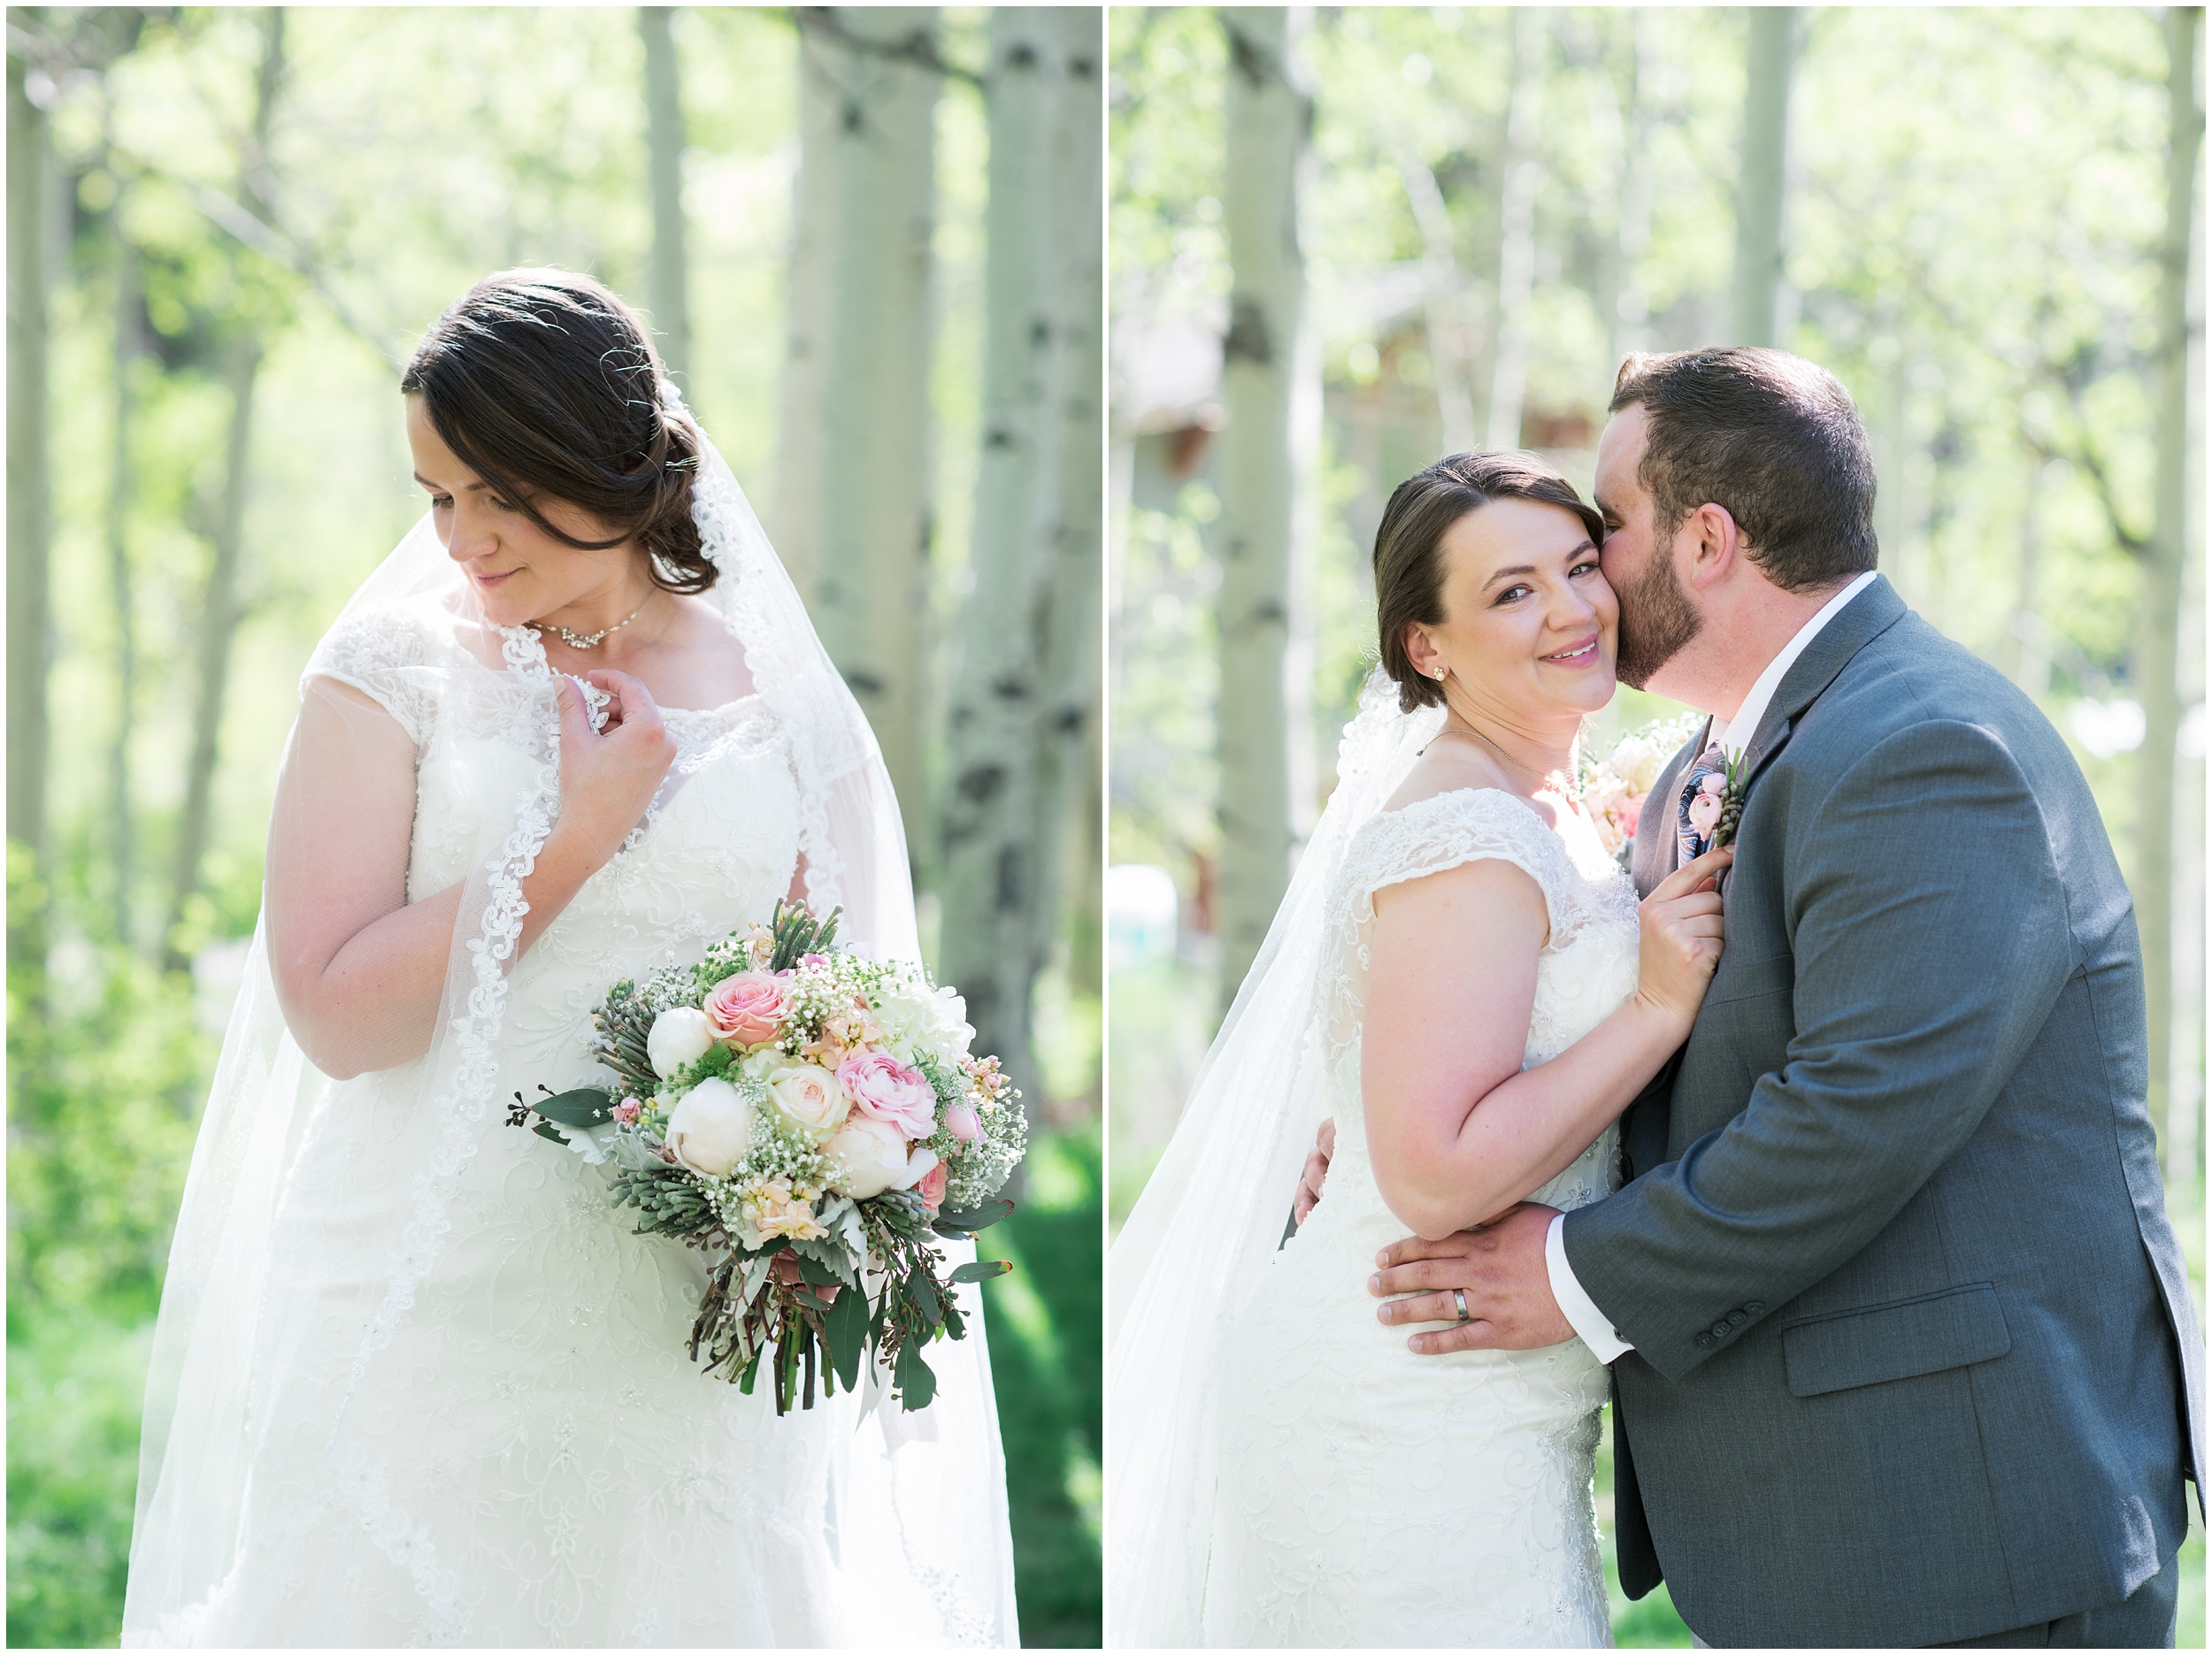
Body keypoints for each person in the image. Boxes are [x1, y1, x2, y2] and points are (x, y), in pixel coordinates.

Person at [122, 271, 1018, 1648]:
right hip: (421, 1292)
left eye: (500, 492)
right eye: (436, 496)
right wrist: (574, 835)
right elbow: (334, 1015)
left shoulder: (777, 697)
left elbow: (836, 1009)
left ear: (610, 461)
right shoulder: (388, 673)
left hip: (684, 1317)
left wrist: (834, 1151)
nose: (465, 538)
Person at [1344, 349, 2203, 1647]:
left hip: (1961, 1526)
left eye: (1604, 532)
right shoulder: (1719, 757)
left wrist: (1573, 1275)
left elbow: (1857, 1112)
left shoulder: (1924, 744)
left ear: (1704, 541)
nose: (1589, 567)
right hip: (1831, 1516)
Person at [1106, 449, 1736, 1645]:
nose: (1571, 609)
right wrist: (1655, 1007)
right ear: (1426, 647)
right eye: (1511, 592)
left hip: (1482, 1401)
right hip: (1401, 1404)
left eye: (1577, 566)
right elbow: (1437, 1174)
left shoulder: (1539, 803)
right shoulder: (1470, 834)